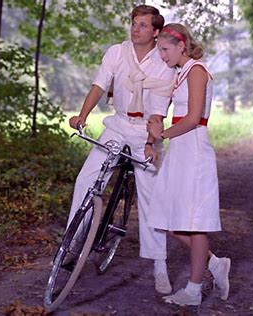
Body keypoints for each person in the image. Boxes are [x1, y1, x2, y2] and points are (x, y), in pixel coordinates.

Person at [68, 5, 177, 294]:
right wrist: (82, 115)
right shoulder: (117, 52)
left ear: (155, 32)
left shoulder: (164, 62)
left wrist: (152, 144)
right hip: (117, 124)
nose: (135, 29)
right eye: (133, 23)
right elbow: (99, 84)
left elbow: (158, 112)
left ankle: (159, 266)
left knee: (151, 197)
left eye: (142, 25)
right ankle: (72, 242)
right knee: (87, 179)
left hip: (145, 131)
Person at [146, 23, 231, 306]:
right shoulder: (179, 73)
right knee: (170, 220)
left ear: (182, 45)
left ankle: (193, 291)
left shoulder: (196, 70)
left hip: (194, 147)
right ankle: (216, 264)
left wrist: (163, 135)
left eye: (166, 49)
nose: (162, 56)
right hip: (180, 149)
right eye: (159, 51)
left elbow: (194, 117)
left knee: (195, 224)